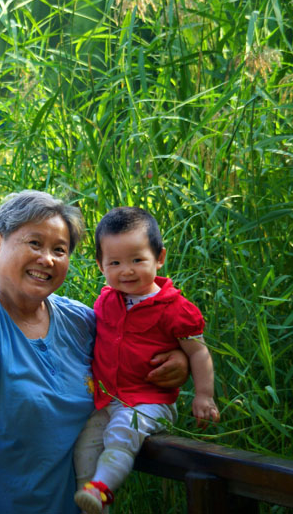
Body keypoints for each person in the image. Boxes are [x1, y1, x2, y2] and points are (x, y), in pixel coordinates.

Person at [0, 190, 190, 514]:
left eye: (59, 250)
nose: (47, 259)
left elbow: (134, 344)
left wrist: (181, 360)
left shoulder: (81, 321)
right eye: (35, 243)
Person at [73, 206, 220, 514]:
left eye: (137, 260)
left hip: (150, 402)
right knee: (85, 446)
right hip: (109, 398)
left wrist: (204, 395)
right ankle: (91, 497)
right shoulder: (106, 301)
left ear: (159, 257)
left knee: (123, 432)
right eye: (115, 262)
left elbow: (198, 351)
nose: (126, 270)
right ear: (100, 264)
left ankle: (102, 489)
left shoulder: (175, 308)